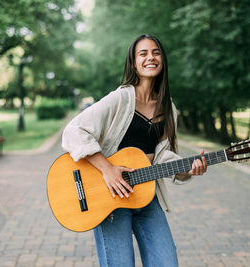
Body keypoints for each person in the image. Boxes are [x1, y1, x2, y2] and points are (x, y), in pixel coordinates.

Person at [62, 34, 207, 267]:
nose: (151, 57)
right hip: (111, 199)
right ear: (133, 63)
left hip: (147, 197)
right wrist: (108, 169)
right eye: (143, 53)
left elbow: (163, 158)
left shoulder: (168, 108)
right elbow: (74, 131)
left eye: (156, 52)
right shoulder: (119, 99)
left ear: (163, 60)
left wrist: (188, 169)